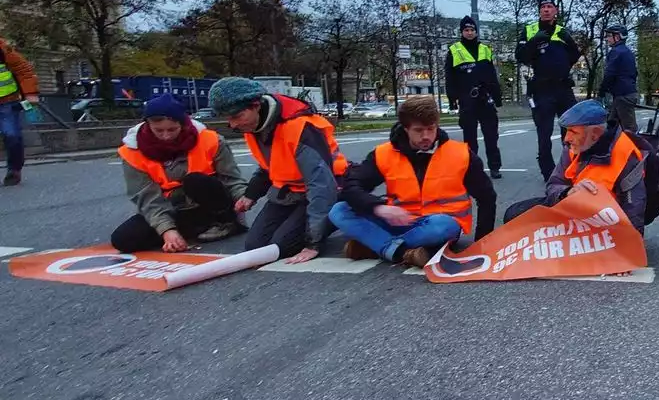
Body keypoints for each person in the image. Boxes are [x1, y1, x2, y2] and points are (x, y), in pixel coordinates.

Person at [329, 96, 496, 268]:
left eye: (431, 129)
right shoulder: (383, 154)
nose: (426, 136)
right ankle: (401, 252)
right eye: (418, 130)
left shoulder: (460, 153)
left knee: (443, 226)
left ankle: (376, 246)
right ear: (405, 128)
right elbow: (350, 187)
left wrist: (481, 242)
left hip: (437, 225)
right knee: (339, 211)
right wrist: (379, 208)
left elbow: (487, 197)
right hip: (396, 221)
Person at [208, 77, 348, 264]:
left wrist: (313, 242)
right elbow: (269, 167)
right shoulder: (255, 126)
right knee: (255, 247)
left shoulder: (299, 127)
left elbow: (321, 185)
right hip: (289, 193)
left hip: (328, 190)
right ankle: (309, 223)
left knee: (282, 247)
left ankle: (333, 218)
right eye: (228, 118)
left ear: (256, 105)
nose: (232, 125)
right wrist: (251, 195)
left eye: (237, 116)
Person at [110, 93, 247, 253]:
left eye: (172, 129)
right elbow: (147, 199)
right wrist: (167, 230)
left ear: (184, 124)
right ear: (147, 125)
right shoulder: (132, 152)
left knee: (194, 180)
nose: (166, 136)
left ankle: (225, 224)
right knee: (123, 239)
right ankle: (188, 231)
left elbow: (231, 179)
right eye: (159, 130)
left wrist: (244, 198)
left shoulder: (211, 140)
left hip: (210, 205)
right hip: (172, 210)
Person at [502, 99, 647, 231]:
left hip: (604, 224)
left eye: (573, 132)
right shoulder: (575, 147)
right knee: (514, 213)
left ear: (595, 134)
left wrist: (628, 251)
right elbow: (554, 184)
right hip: (573, 212)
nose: (566, 138)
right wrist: (567, 192)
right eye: (567, 131)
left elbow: (633, 211)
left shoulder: (626, 154)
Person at [516, 0, 582, 180]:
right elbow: (520, 56)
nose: (546, 9)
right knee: (544, 134)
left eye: (549, 7)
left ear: (555, 11)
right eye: (543, 7)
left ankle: (570, 167)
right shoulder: (529, 30)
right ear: (539, 11)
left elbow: (575, 56)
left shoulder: (562, 31)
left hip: (562, 88)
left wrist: (568, 45)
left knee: (571, 130)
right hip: (542, 89)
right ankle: (548, 172)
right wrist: (534, 42)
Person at [446, 15, 504, 179]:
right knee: (470, 138)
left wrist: (497, 97)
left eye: (472, 30)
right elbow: (450, 77)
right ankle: (472, 168)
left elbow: (493, 76)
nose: (469, 33)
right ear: (461, 32)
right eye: (466, 30)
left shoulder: (485, 49)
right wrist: (452, 100)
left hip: (485, 99)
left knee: (491, 136)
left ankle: (495, 167)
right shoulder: (454, 50)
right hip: (467, 99)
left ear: (476, 32)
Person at [0, 36, 39, 187]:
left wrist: (30, 94)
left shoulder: (3, 49)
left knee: (12, 136)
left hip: (7, 103)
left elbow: (23, 69)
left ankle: (14, 170)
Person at [598, 24, 639, 132]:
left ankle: (640, 148)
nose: (607, 39)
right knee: (612, 124)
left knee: (629, 129)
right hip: (625, 93)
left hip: (623, 95)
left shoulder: (616, 52)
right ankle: (612, 148)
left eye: (609, 36)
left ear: (617, 37)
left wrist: (602, 90)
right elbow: (634, 73)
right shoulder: (628, 52)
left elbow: (609, 73)